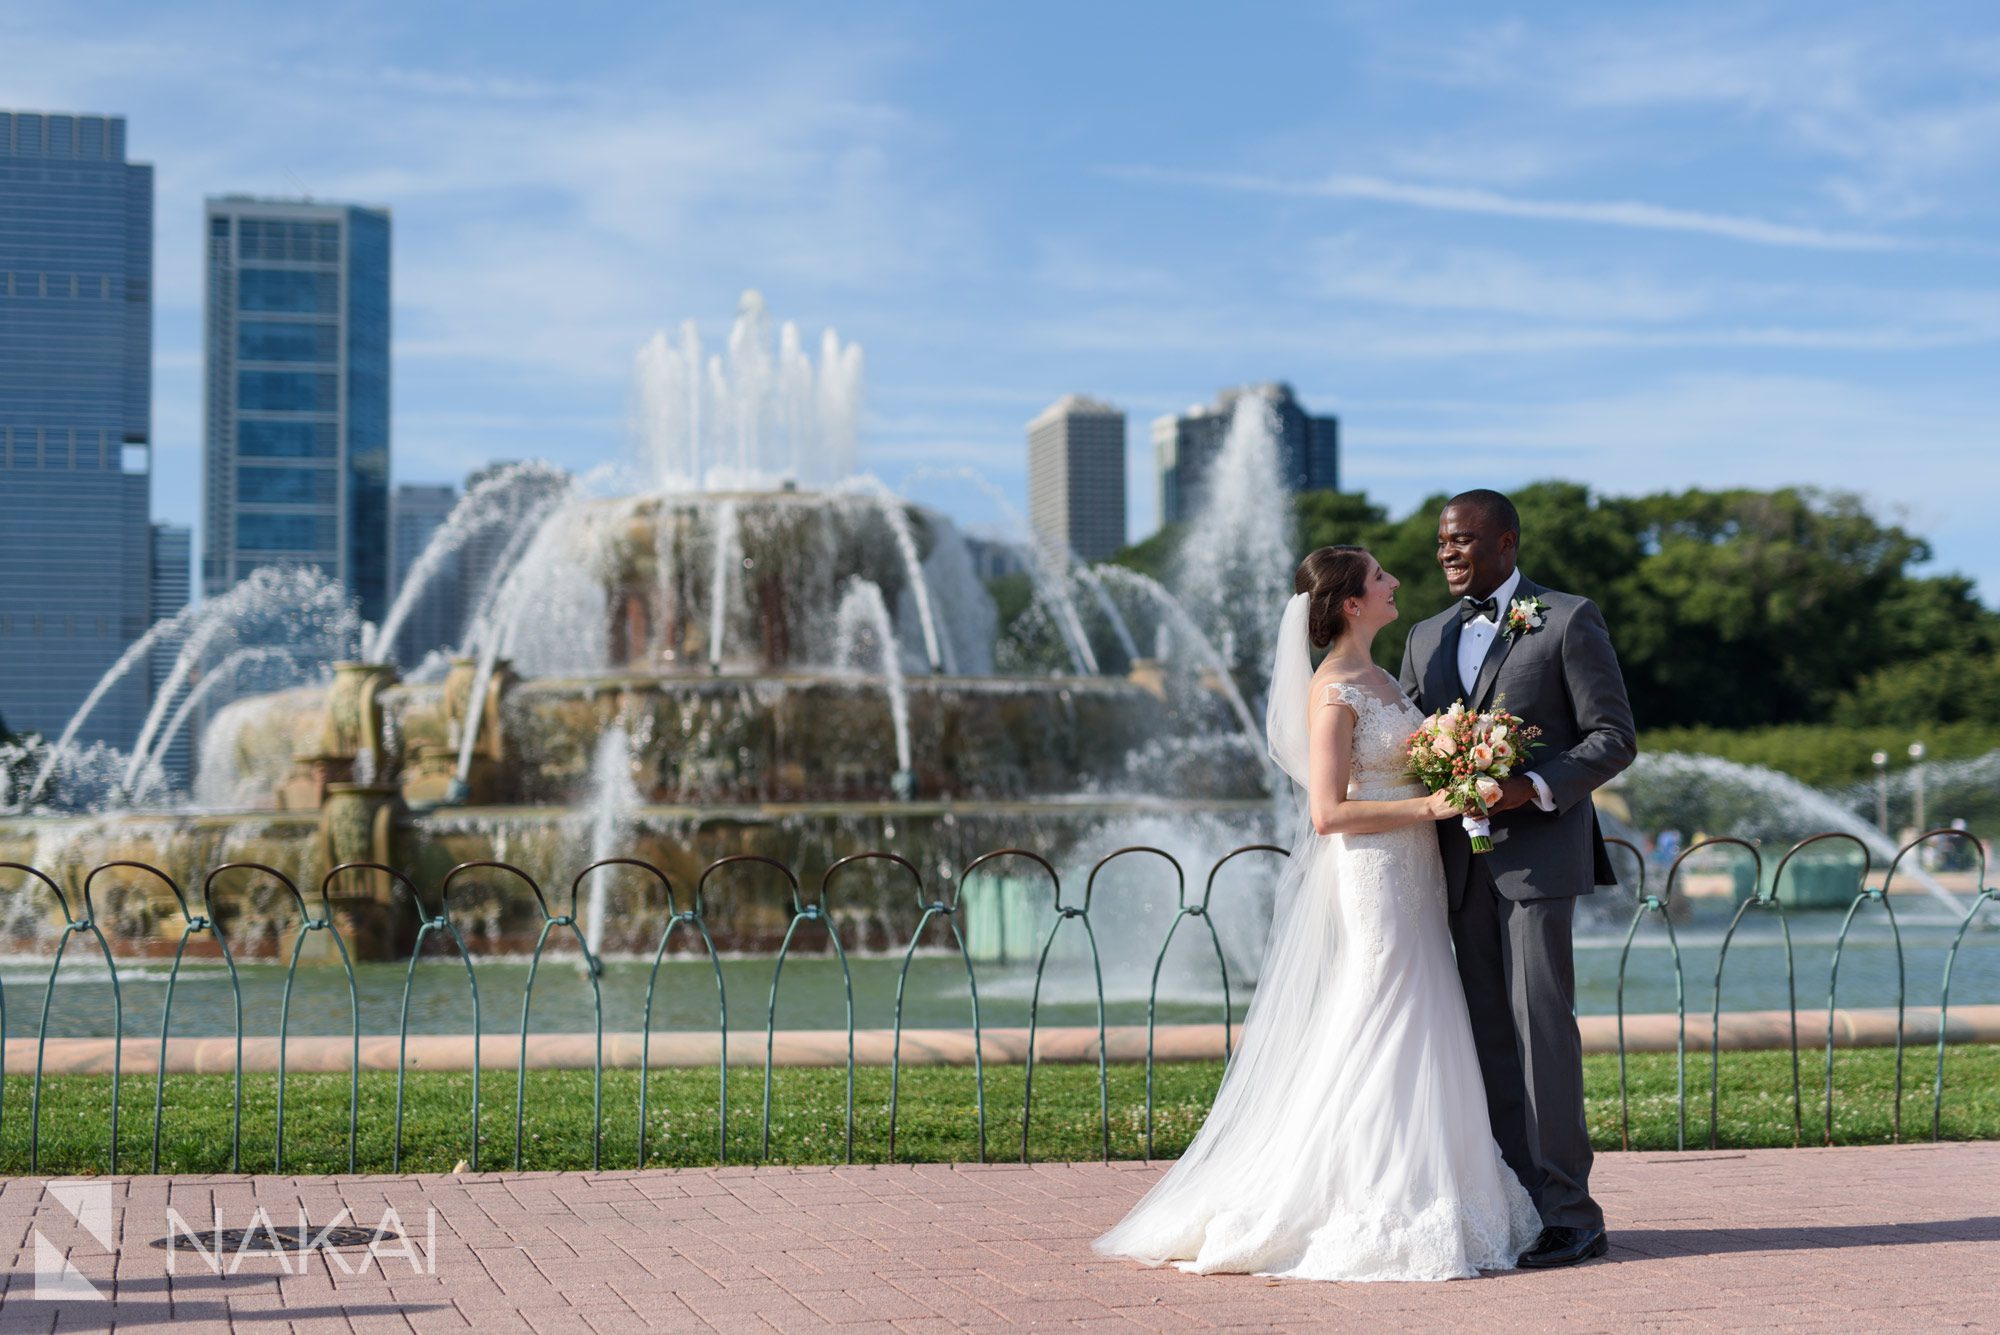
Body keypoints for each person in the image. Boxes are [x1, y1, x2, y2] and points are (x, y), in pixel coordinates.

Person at [1093, 545, 1542, 1282]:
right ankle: (1370, 1192)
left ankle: (1438, 1183)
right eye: (1380, 576)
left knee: (1423, 1004)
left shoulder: (1385, 677)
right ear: (1351, 602)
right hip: (1372, 871)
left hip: (1415, 866)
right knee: (1385, 1005)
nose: (1395, 581)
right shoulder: (1334, 689)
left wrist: (1458, 765)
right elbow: (1328, 811)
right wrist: (1434, 801)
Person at [1398, 489, 1637, 1269]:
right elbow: (1406, 747)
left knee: (1543, 1038)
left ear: (1506, 541)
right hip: (1454, 873)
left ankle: (1574, 1212)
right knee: (1488, 1044)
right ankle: (1518, 1205)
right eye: (1441, 542)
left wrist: (1528, 786)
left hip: (1539, 863)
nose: (1448, 553)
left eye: (1463, 540)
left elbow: (1613, 738)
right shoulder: (1424, 636)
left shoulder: (1567, 618)